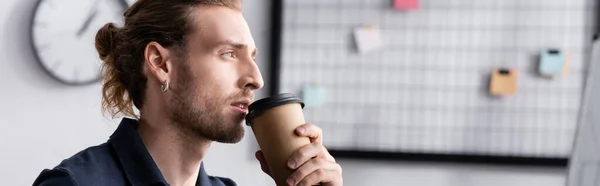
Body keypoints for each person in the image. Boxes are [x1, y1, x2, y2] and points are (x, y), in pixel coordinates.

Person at [32, 0, 343, 186]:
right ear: (160, 63)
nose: (256, 79)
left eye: (253, 56)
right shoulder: (75, 184)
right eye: (229, 54)